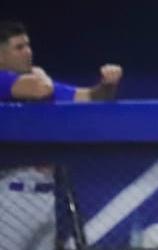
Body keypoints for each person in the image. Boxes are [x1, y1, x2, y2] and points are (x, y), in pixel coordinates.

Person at [0, 21, 123, 250]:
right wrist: (41, 74)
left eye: (28, 45)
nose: (29, 52)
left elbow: (89, 98)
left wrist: (107, 85)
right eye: (19, 47)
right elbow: (41, 89)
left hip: (46, 197)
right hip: (9, 197)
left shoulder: (36, 79)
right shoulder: (12, 80)